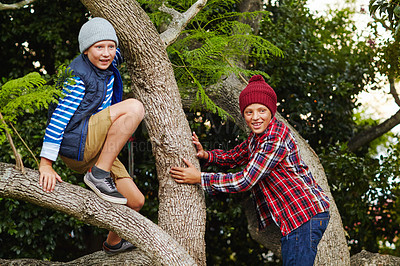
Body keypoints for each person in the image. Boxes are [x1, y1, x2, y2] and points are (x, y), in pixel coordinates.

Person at [170, 75, 330, 265]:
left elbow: (245, 180)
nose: (255, 117)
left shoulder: (274, 138)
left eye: (262, 110)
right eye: (249, 112)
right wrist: (207, 156)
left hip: (305, 215)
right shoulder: (257, 138)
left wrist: (200, 178)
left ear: (272, 111)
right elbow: (234, 156)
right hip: (296, 218)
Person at [38, 17, 145, 255]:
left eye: (111, 46)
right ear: (86, 49)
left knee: (135, 201)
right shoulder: (77, 76)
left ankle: (113, 243)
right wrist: (45, 163)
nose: (106, 53)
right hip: (77, 143)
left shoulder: (107, 61)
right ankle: (98, 175)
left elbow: (129, 49)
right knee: (134, 107)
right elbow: (58, 120)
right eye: (99, 47)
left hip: (97, 148)